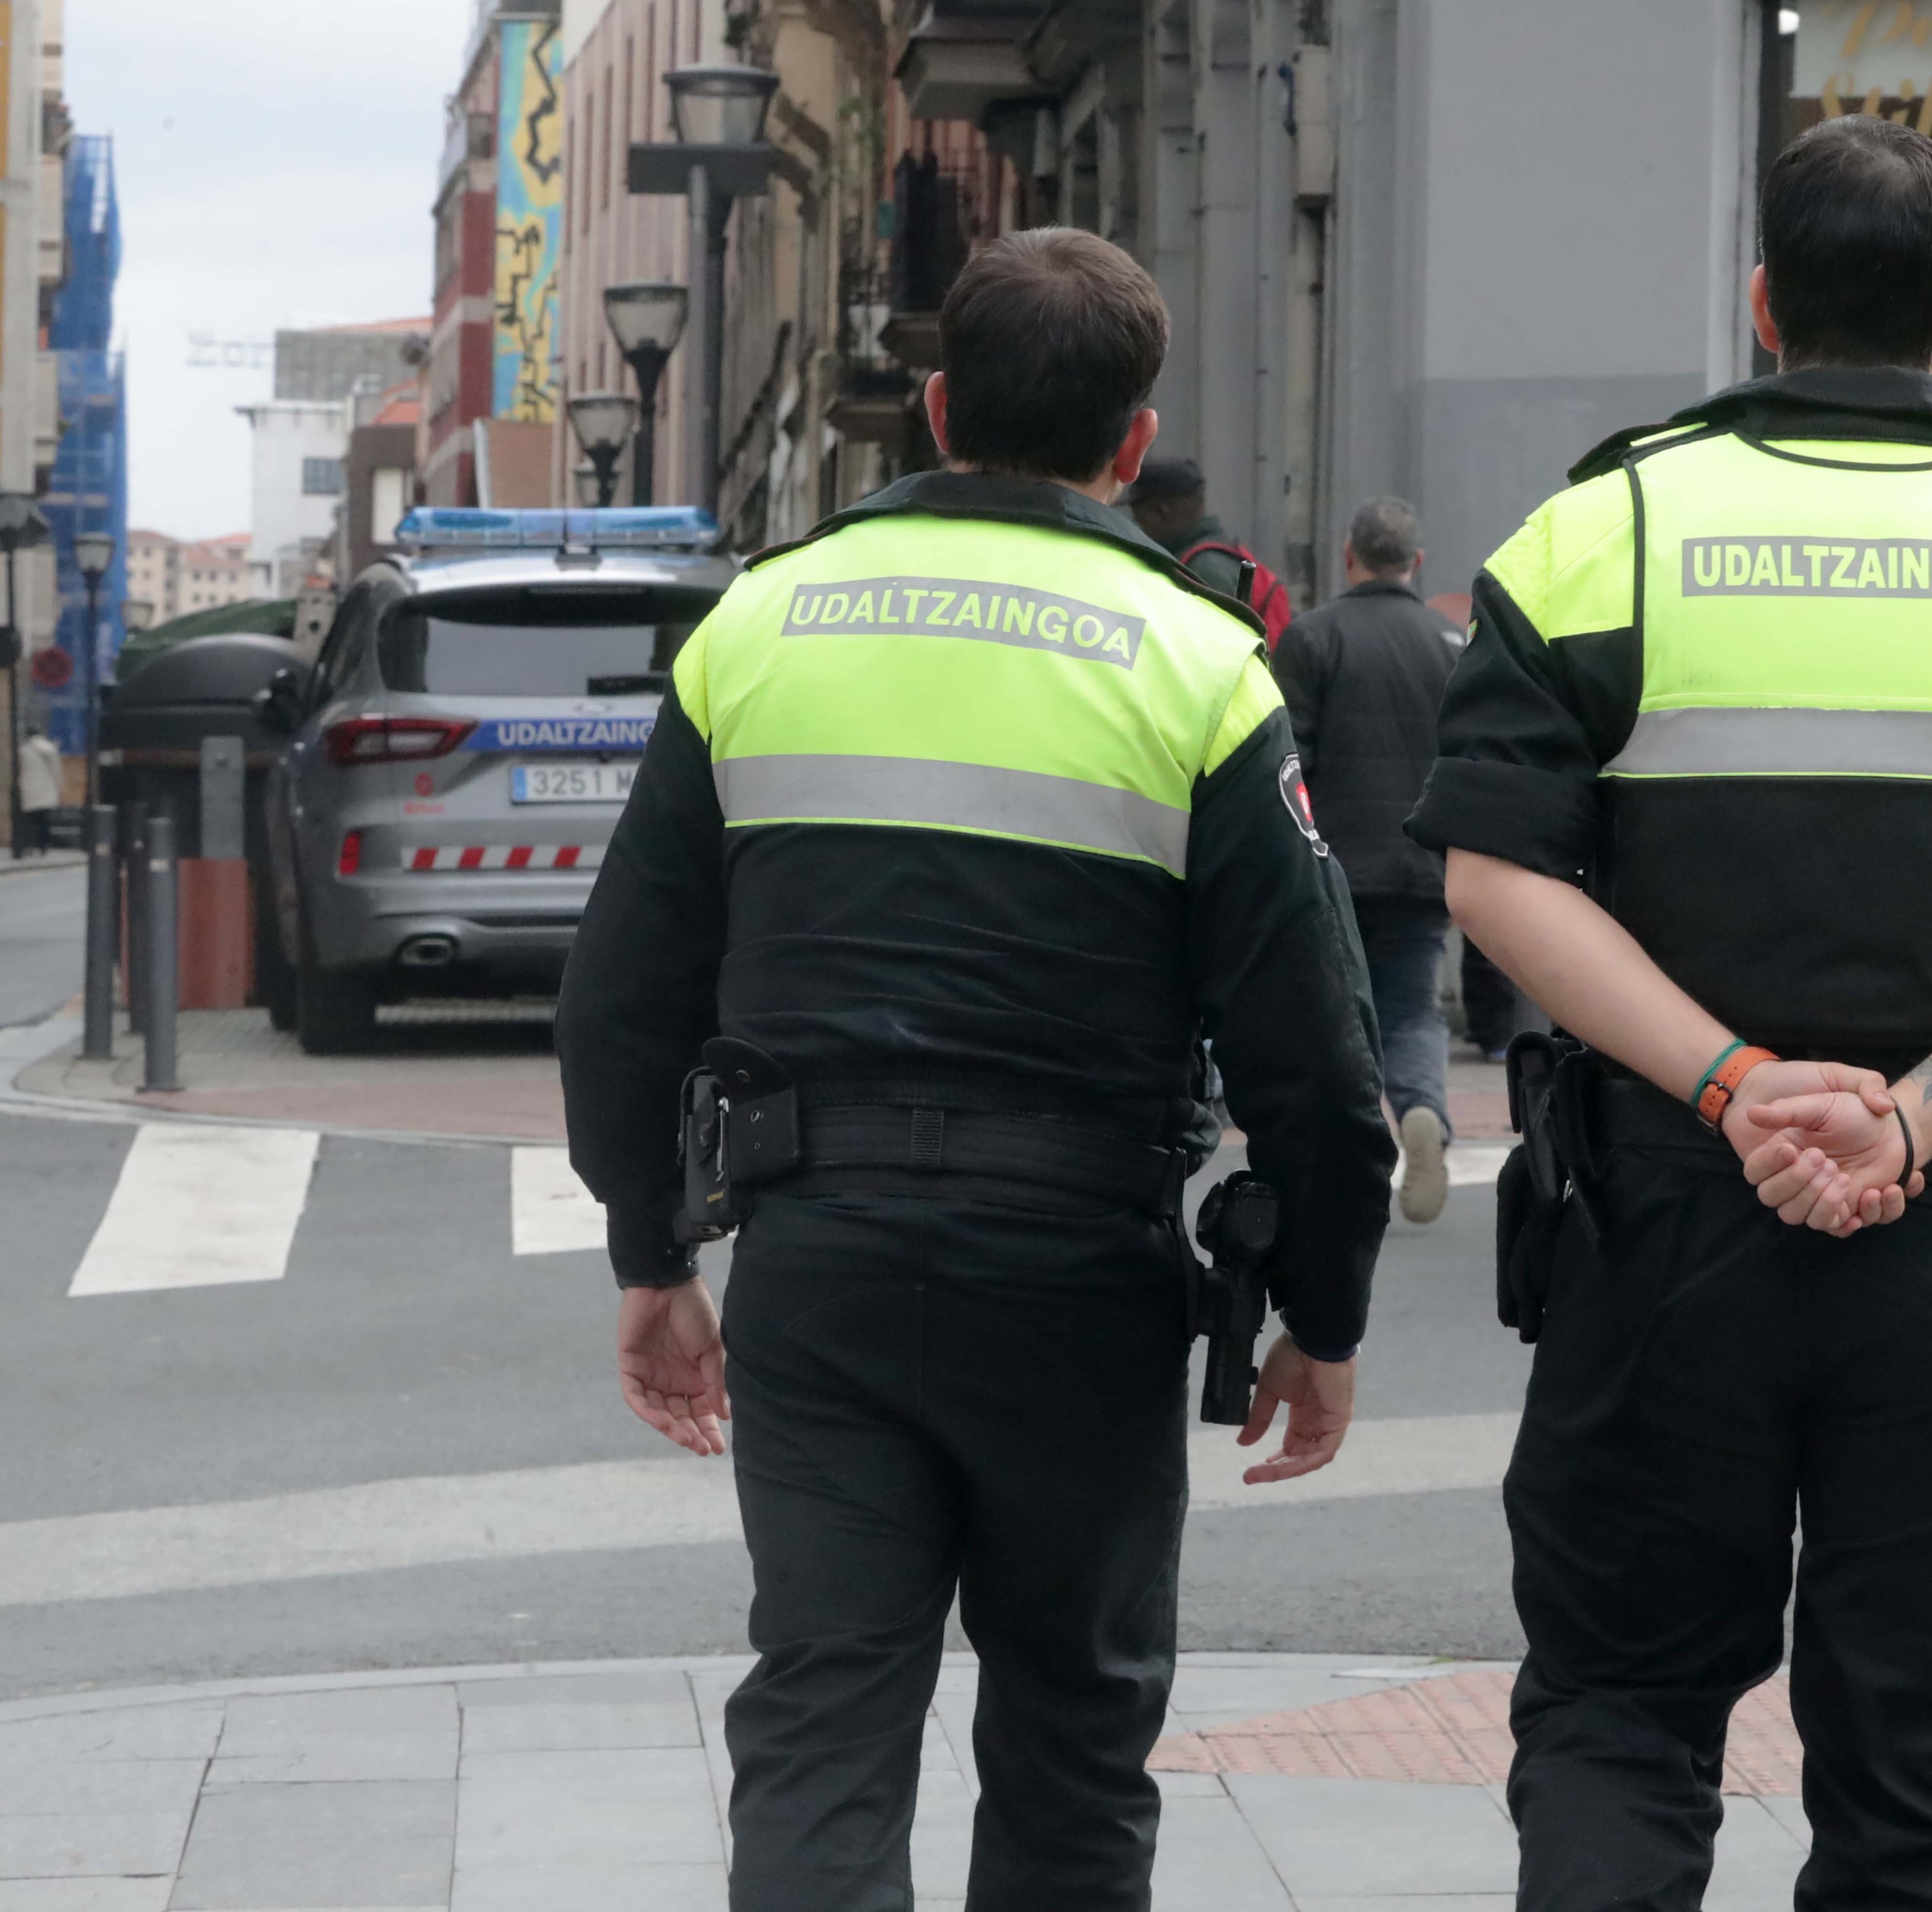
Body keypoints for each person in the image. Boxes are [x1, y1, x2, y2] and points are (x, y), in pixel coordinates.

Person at [1409, 113, 1932, 1911]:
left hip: (1658, 1217)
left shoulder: (1602, 532)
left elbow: (1496, 877)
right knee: (1921, 1773)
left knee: (1621, 1709)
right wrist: (1906, 1119)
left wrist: (1735, 1089)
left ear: (1764, 302)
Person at [555, 227, 1394, 1911]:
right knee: (1076, 1735)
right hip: (1078, 1278)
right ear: (1131, 442)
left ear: (937, 412)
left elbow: (621, 996)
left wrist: (653, 1251)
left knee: (822, 1718)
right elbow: (1313, 1049)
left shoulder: (760, 626)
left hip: (823, 1258)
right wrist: (1325, 1309)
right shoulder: (1196, 663)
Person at [1274, 495, 1468, 1221]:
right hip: (1421, 865)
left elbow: (1287, 759)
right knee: (1412, 1009)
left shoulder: (1312, 637)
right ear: (1416, 562)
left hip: (1332, 870)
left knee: (1331, 1012)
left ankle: (1345, 1154)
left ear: (1348, 555)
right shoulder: (1450, 646)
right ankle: (1421, 1110)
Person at [1124, 456, 1292, 643]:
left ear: (1162, 512)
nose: (1139, 527)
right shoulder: (1209, 555)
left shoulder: (1206, 570)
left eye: (1140, 518)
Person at [15, 726, 59, 855]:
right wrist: (58, 785)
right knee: (44, 821)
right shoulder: (50, 749)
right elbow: (56, 770)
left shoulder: (23, 751)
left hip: (28, 788)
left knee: (30, 821)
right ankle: (44, 846)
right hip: (46, 788)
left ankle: (29, 846)